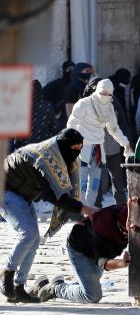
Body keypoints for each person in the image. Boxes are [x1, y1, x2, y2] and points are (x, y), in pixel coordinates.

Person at [1, 128, 97, 303]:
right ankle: (7, 272)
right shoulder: (44, 159)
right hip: (6, 190)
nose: (76, 153)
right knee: (28, 234)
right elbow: (52, 195)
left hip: (24, 194)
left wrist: (80, 217)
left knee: (34, 239)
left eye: (79, 148)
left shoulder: (64, 160)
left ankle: (19, 287)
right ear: (63, 146)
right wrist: (86, 209)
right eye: (73, 148)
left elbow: (69, 194)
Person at [37, 204, 129, 304]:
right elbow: (103, 263)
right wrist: (122, 263)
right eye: (127, 231)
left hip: (96, 246)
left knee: (89, 282)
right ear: (120, 227)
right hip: (80, 249)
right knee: (92, 295)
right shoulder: (103, 229)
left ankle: (59, 284)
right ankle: (55, 289)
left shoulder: (128, 210)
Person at [67, 79, 133, 206]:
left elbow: (114, 129)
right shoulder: (84, 103)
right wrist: (71, 144)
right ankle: (81, 211)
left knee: (94, 184)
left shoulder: (109, 107)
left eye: (108, 94)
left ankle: (89, 211)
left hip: (97, 148)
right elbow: (71, 124)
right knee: (81, 182)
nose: (105, 96)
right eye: (103, 93)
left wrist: (125, 143)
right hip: (81, 146)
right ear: (97, 91)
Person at [14, 80, 60, 149]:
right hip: (44, 148)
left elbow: (18, 136)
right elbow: (55, 129)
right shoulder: (48, 106)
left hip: (27, 150)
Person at [43, 61, 74, 128]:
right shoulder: (57, 84)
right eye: (70, 69)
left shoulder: (77, 84)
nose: (72, 72)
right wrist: (54, 109)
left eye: (74, 69)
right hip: (61, 118)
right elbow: (43, 96)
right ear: (64, 70)